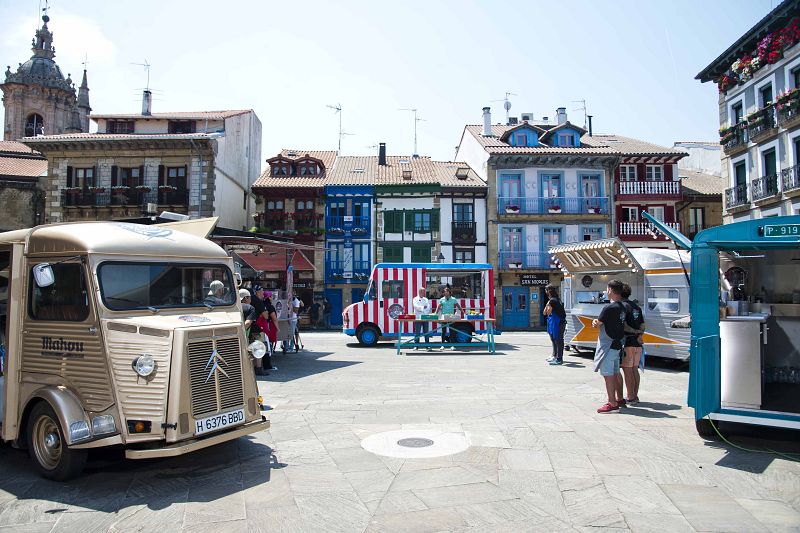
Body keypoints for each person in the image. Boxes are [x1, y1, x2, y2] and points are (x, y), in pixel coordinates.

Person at [591, 280, 627, 413]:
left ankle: (612, 403)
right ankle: (620, 398)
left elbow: (598, 324)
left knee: (608, 375)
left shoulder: (608, 308)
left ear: (610, 290)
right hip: (617, 344)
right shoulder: (623, 307)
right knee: (616, 372)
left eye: (607, 289)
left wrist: (594, 322)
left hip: (608, 345)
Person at [620, 283, 645, 404]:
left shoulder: (622, 306)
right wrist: (639, 334)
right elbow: (643, 324)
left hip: (628, 342)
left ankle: (630, 396)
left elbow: (623, 325)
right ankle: (635, 395)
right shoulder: (637, 307)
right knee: (635, 369)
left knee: (627, 370)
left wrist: (634, 332)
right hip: (638, 343)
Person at [251, 286, 277, 373]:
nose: (263, 293)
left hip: (252, 328)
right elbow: (266, 316)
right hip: (258, 329)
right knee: (260, 348)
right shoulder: (258, 301)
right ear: (258, 292)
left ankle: (256, 367)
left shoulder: (254, 300)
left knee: (254, 348)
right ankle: (259, 368)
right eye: (262, 291)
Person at [543, 285, 567, 365]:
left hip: (558, 323)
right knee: (554, 339)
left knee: (558, 340)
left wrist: (548, 304)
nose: (545, 292)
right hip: (557, 322)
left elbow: (547, 312)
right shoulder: (557, 299)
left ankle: (559, 359)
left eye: (546, 290)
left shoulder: (552, 301)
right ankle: (555, 356)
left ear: (549, 291)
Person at [437, 286, 463, 351]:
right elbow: (438, 307)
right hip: (444, 317)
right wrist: (435, 314)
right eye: (444, 292)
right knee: (443, 331)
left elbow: (458, 306)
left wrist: (463, 312)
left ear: (449, 292)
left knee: (452, 331)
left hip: (451, 317)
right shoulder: (442, 299)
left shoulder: (453, 299)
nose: (446, 293)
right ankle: (442, 345)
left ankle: (452, 345)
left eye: (447, 291)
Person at [412, 287, 432, 351]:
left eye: (424, 292)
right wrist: (423, 307)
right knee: (417, 332)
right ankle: (416, 346)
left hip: (425, 317)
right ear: (420, 292)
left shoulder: (426, 299)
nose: (424, 293)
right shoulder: (415, 299)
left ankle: (427, 346)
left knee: (426, 332)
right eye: (423, 291)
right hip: (418, 318)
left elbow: (428, 307)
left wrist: (423, 310)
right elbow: (416, 307)